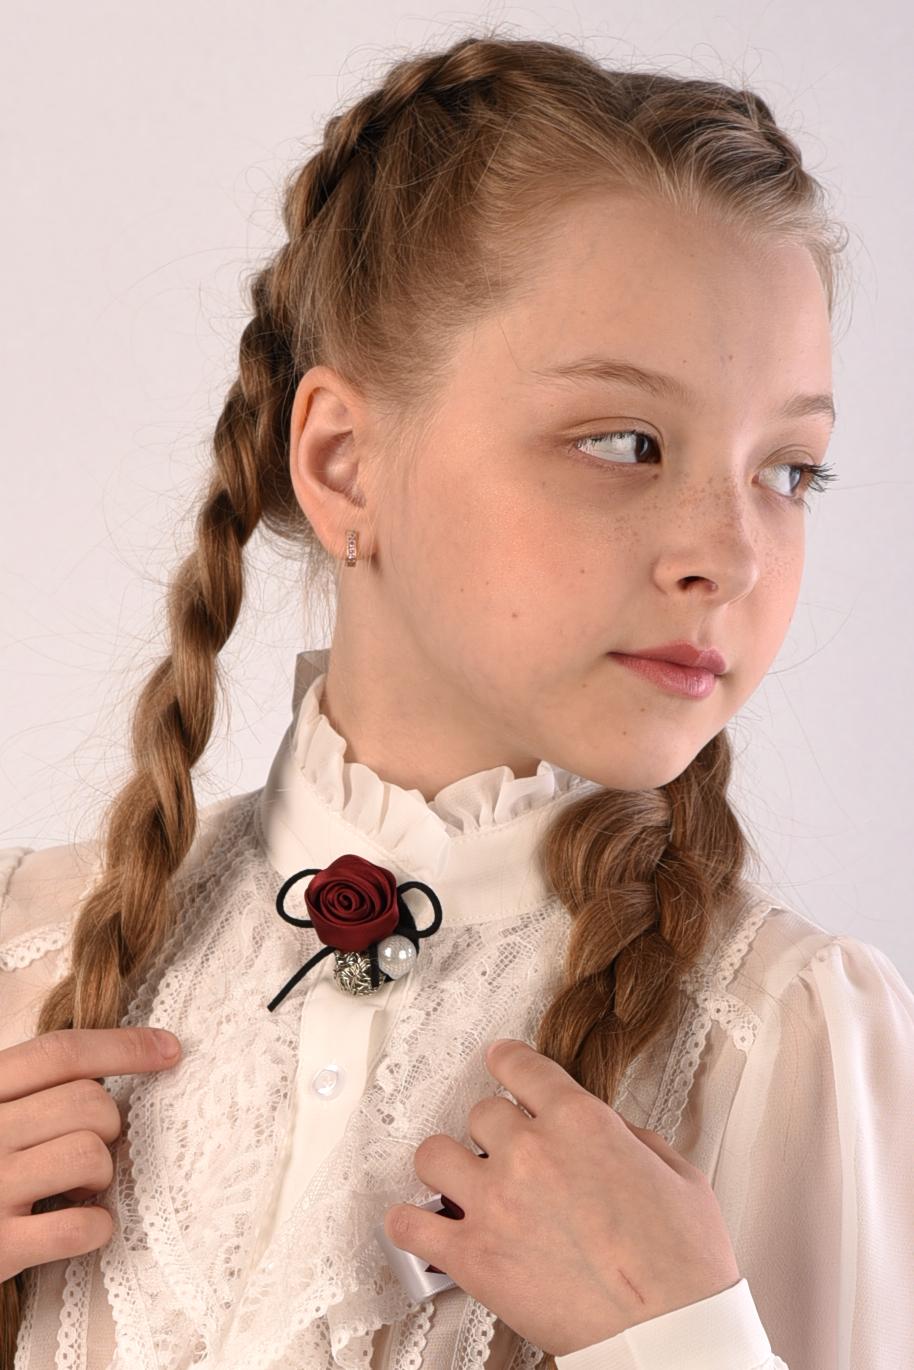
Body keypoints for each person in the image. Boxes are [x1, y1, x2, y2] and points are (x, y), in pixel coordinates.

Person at [1, 30, 911, 1370]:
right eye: (625, 441)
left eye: (789, 471)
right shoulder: (31, 951)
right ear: (342, 463)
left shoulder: (780, 1031)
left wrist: (681, 1344)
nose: (730, 553)